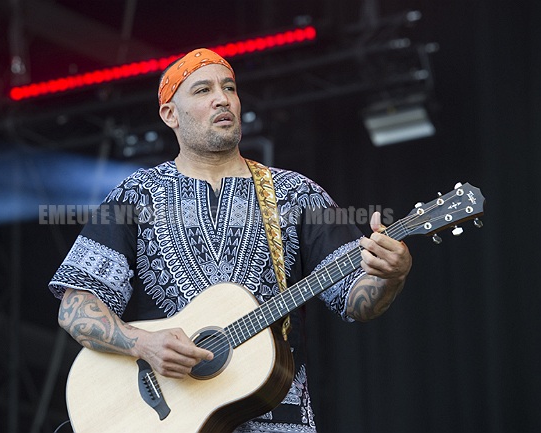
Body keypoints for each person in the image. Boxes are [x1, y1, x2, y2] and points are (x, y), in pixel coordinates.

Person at [49, 48, 412, 432]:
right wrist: (141, 343)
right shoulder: (135, 195)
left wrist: (390, 276)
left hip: (279, 418)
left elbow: (357, 302)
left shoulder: (296, 193)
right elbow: (75, 308)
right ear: (170, 114)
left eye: (229, 88)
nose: (222, 99)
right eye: (203, 90)